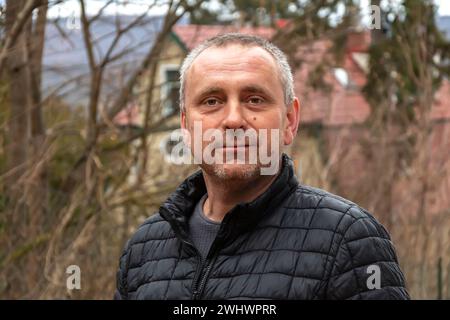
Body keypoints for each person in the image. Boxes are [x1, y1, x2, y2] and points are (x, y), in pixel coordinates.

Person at [115, 33, 410, 300]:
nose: (233, 119)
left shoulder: (349, 241)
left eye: (254, 100)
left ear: (290, 121)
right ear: (186, 125)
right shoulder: (144, 249)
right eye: (211, 101)